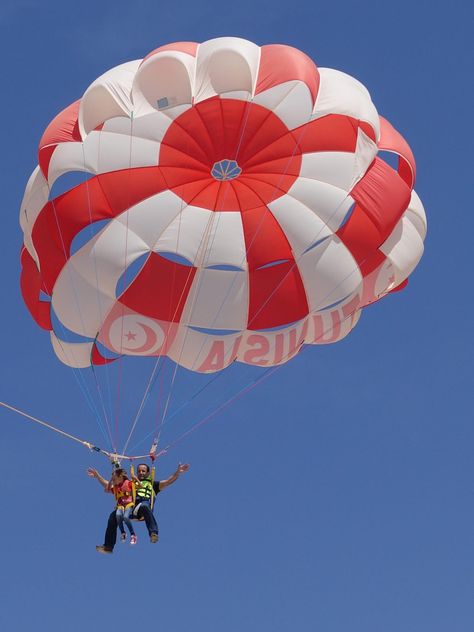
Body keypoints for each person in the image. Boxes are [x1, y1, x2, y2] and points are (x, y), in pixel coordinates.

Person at [88, 462, 190, 554]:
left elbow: (168, 481)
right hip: (129, 508)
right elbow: (110, 486)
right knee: (113, 516)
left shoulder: (153, 485)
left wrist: (178, 473)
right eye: (139, 471)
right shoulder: (129, 483)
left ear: (148, 473)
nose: (141, 473)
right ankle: (108, 546)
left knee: (145, 506)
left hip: (141, 509)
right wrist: (97, 476)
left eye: (143, 471)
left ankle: (153, 533)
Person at [108, 468, 137, 545]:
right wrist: (111, 480)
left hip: (129, 504)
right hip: (120, 505)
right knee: (118, 515)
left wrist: (134, 477)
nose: (113, 481)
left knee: (126, 517)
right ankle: (123, 533)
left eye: (114, 479)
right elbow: (107, 489)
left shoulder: (129, 483)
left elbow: (139, 486)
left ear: (120, 477)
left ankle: (133, 534)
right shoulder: (116, 487)